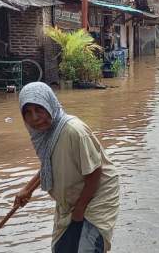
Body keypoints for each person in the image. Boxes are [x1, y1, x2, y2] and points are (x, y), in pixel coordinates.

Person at [14, 83, 119, 252]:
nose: (34, 117)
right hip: (71, 200)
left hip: (96, 197)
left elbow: (95, 172)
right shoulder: (46, 134)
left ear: (50, 104)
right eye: (28, 112)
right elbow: (50, 164)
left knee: (87, 248)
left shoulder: (73, 131)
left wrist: (80, 209)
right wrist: (28, 189)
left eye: (39, 109)